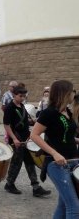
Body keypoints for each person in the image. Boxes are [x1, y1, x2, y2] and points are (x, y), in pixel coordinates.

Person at [31, 80, 79, 217]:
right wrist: (55, 153)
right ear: (64, 93)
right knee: (74, 207)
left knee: (64, 204)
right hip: (56, 163)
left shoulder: (67, 112)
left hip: (73, 161)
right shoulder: (49, 113)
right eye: (72, 91)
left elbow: (65, 136)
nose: (74, 94)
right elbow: (34, 135)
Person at [2, 86, 51, 197]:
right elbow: (6, 125)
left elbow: (24, 120)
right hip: (16, 139)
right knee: (16, 163)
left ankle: (36, 187)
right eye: (20, 96)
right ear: (14, 95)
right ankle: (9, 184)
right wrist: (14, 139)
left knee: (29, 162)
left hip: (25, 139)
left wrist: (33, 121)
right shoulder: (10, 108)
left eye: (24, 96)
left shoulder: (22, 106)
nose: (23, 98)